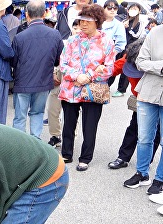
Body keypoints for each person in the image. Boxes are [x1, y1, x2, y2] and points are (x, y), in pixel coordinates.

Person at [58, 4, 116, 172]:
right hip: (71, 88)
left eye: (88, 21)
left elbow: (109, 68)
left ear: (97, 22)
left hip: (92, 89)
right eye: (81, 20)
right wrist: (77, 76)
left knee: (89, 126)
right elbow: (64, 64)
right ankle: (66, 153)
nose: (83, 24)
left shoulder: (107, 42)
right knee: (68, 123)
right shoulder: (72, 40)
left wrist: (88, 76)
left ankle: (85, 158)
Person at [11, 0, 63, 139]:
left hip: (22, 82)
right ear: (45, 13)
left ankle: (19, 144)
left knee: (20, 117)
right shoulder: (55, 35)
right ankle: (35, 142)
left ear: (27, 14)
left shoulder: (19, 37)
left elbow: (13, 61)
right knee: (37, 113)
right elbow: (59, 59)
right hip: (43, 80)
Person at [108, 38, 160, 170]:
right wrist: (97, 72)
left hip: (159, 97)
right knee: (134, 127)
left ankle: (146, 161)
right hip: (141, 99)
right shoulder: (129, 57)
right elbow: (112, 69)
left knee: (156, 131)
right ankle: (123, 157)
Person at [123, 25, 163, 194]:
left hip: (152, 88)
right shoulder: (155, 32)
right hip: (148, 92)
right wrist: (160, 67)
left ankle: (160, 179)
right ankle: (142, 173)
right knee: (144, 137)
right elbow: (140, 62)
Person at [46, 19, 81, 148]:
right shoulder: (64, 42)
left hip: (76, 81)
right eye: (75, 27)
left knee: (73, 111)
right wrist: (53, 72)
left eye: (80, 27)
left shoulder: (86, 44)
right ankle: (55, 135)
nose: (77, 30)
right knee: (52, 108)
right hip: (60, 77)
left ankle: (70, 137)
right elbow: (54, 59)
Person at [114, 2, 147, 97]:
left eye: (135, 9)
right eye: (131, 8)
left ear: (139, 11)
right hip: (120, 47)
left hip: (132, 50)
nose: (133, 11)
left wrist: (128, 29)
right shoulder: (123, 20)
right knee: (116, 65)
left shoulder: (140, 23)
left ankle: (121, 89)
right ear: (127, 10)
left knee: (127, 70)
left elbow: (138, 35)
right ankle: (107, 84)